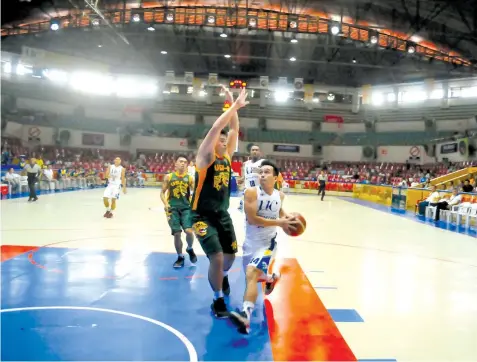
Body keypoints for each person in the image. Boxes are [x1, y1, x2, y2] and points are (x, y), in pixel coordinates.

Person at [191, 86, 249, 318]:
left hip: (223, 215)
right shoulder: (205, 157)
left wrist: (231, 101)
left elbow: (234, 127)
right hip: (201, 216)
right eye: (221, 139)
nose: (225, 140)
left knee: (229, 257)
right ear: (213, 142)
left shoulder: (226, 157)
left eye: (226, 140)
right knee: (215, 257)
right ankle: (217, 300)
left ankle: (223, 278)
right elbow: (218, 127)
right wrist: (233, 106)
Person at [229, 160, 297, 334]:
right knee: (254, 276)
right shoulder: (251, 193)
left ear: (275, 177)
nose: (262, 175)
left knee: (252, 273)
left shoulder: (280, 196)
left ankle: (246, 315)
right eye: (261, 172)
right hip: (251, 242)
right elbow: (252, 219)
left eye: (267, 172)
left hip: (268, 243)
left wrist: (289, 220)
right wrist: (279, 221)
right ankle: (271, 278)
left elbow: (280, 212)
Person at [160, 154, 197, 268]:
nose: (183, 163)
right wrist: (166, 204)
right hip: (173, 208)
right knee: (177, 233)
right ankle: (180, 257)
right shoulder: (169, 177)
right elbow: (162, 192)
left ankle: (189, 248)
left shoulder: (190, 178)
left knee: (189, 231)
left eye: (185, 162)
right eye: (181, 161)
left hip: (186, 208)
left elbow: (195, 193)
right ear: (175, 164)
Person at [238, 145, 264, 211]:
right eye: (253, 150)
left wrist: (261, 171)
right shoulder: (246, 164)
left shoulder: (264, 162)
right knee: (246, 212)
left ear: (260, 152)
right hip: (247, 191)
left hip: (259, 192)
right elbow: (246, 176)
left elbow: (269, 174)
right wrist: (242, 179)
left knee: (258, 211)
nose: (254, 151)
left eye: (256, 150)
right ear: (250, 152)